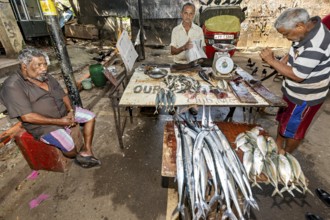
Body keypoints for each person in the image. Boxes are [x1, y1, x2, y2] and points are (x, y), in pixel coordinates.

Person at [0, 47, 101, 168]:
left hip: (63, 113)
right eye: (38, 65)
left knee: (90, 117)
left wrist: (70, 111)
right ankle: (77, 156)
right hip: (43, 125)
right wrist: (60, 122)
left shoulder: (46, 76)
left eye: (45, 64)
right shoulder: (12, 86)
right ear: (24, 66)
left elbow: (63, 95)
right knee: (69, 145)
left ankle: (87, 150)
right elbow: (27, 117)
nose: (43, 68)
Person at [259, 8, 330, 154]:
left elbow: (298, 76)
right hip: (292, 91)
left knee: (294, 130)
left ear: (300, 26)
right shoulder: (308, 29)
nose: (286, 38)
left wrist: (272, 61)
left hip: (304, 98)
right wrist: (283, 61)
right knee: (284, 119)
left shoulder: (315, 45)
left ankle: (286, 155)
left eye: (286, 34)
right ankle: (278, 146)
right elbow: (295, 51)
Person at [170, 2, 205, 115]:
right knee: (176, 86)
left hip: (192, 64)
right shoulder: (175, 30)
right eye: (186, 13)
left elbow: (202, 49)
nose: (188, 16)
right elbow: (172, 51)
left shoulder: (199, 30)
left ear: (194, 15)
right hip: (178, 64)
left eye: (191, 14)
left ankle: (192, 104)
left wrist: (199, 57)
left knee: (193, 86)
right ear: (181, 14)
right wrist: (184, 47)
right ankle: (174, 104)